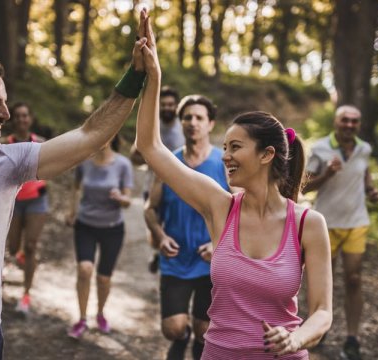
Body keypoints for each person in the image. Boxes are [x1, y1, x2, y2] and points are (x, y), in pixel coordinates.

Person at [0, 10, 149, 360]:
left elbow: (90, 135)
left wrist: (135, 77)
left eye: (5, 102)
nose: (5, 114)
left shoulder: (7, 164)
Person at [135, 18, 332, 359]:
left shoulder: (307, 224)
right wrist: (154, 76)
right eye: (224, 147)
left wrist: (296, 338)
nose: (225, 156)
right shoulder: (219, 205)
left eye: (235, 147)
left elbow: (322, 312)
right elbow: (150, 147)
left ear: (267, 154)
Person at [144, 94, 228, 359]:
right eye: (187, 117)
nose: (193, 123)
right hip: (176, 259)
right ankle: (182, 338)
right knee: (173, 328)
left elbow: (241, 211)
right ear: (180, 123)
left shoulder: (225, 164)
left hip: (212, 262)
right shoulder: (167, 163)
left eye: (199, 118)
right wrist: (160, 235)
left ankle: (199, 350)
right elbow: (149, 209)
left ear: (211, 124)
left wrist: (219, 243)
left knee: (206, 331)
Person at [303, 105, 378, 360]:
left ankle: (352, 338)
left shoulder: (364, 148)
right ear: (336, 123)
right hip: (325, 224)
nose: (349, 125)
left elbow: (364, 175)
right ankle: (317, 331)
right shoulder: (321, 149)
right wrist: (327, 174)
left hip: (356, 221)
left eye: (354, 121)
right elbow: (304, 188)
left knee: (354, 279)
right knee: (325, 282)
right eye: (345, 120)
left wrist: (371, 191)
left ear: (358, 125)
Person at [65, 134, 133, 338]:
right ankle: (82, 319)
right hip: (85, 225)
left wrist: (121, 198)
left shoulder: (123, 164)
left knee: (104, 278)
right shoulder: (84, 161)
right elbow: (76, 188)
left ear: (112, 136)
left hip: (112, 228)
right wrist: (71, 211)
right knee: (84, 269)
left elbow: (128, 200)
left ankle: (101, 314)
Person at [130, 85, 185, 273]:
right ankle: (155, 252)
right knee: (153, 223)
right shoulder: (150, 125)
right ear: (158, 106)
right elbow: (134, 157)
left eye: (171, 104)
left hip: (179, 187)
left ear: (176, 106)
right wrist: (155, 157)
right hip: (152, 185)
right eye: (164, 104)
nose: (167, 108)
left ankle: (174, 258)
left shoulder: (184, 127)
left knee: (174, 225)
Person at [3, 102, 49, 315]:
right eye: (18, 116)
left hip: (36, 201)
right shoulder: (4, 144)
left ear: (30, 118)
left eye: (25, 115)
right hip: (13, 201)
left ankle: (26, 295)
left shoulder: (40, 143)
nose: (22, 119)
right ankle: (22, 257)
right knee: (13, 249)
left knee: (31, 246)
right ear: (13, 119)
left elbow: (52, 165)